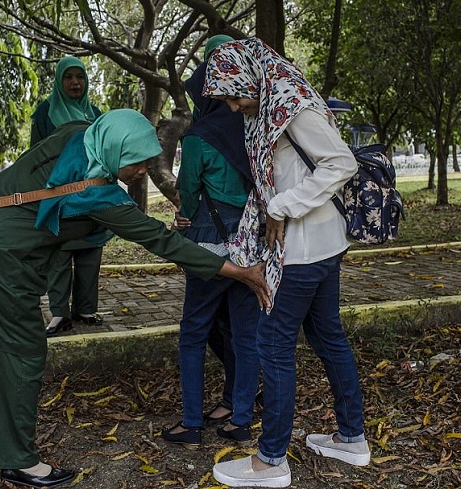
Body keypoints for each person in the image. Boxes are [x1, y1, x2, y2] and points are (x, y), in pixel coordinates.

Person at [0, 109, 270, 489]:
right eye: (136, 163)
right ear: (116, 151)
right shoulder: (98, 195)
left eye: (146, 161)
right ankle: (18, 461)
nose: (142, 171)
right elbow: (164, 241)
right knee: (21, 350)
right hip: (1, 254)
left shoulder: (79, 134)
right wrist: (238, 272)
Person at [203, 38, 370, 488]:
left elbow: (340, 162)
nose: (235, 106)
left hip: (305, 249)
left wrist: (283, 205)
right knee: (325, 334)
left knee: (273, 345)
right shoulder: (270, 102)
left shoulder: (292, 105)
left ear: (251, 76)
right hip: (314, 245)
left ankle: (271, 460)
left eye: (235, 94)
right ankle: (351, 437)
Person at [162, 34, 260, 448]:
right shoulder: (255, 126)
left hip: (209, 245)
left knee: (193, 333)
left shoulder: (198, 136)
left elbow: (186, 191)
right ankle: (240, 418)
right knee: (244, 332)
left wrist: (185, 212)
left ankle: (191, 423)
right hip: (251, 243)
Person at [30, 55, 105, 335]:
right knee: (59, 255)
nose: (75, 82)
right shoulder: (45, 113)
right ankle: (59, 313)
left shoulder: (94, 113)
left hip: (91, 193)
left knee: (90, 249)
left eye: (80, 77)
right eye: (69, 77)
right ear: (60, 81)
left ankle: (86, 309)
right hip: (58, 193)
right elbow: (35, 155)